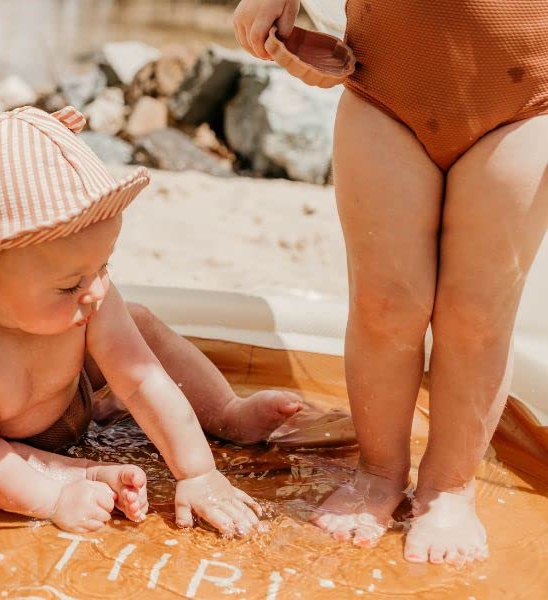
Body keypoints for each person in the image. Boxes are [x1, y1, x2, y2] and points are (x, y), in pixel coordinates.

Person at [234, 0, 548, 565]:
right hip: (388, 82)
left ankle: (449, 486)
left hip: (527, 98)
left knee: (477, 313)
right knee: (384, 304)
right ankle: (378, 471)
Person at [0, 105, 303, 534]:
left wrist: (197, 473)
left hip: (68, 393)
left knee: (137, 323)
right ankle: (78, 474)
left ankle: (224, 411)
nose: (96, 290)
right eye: (71, 284)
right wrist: (54, 501)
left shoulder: (88, 298)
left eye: (104, 266)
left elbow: (142, 380)